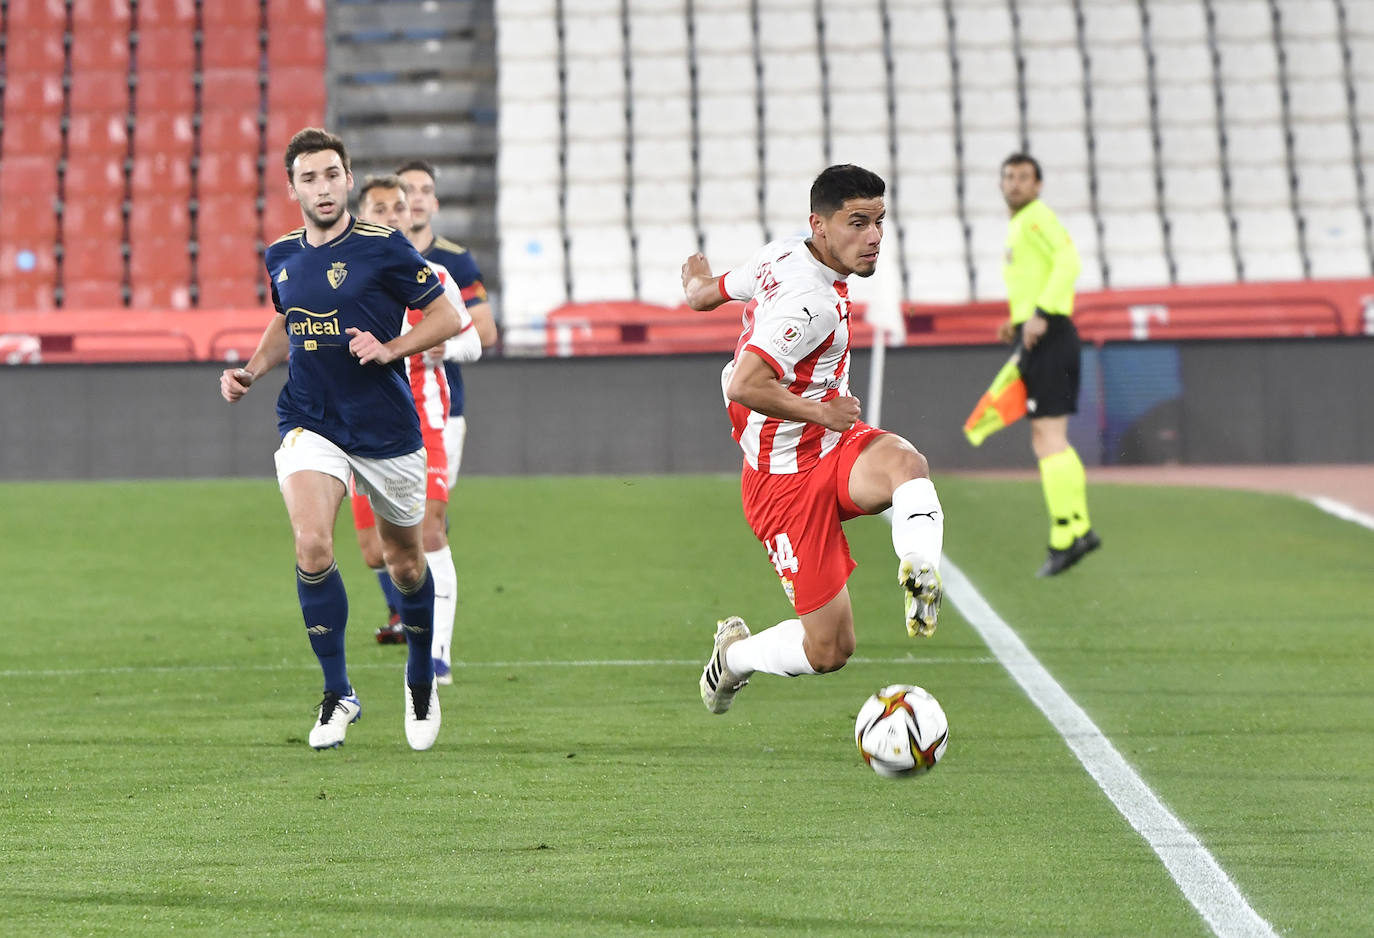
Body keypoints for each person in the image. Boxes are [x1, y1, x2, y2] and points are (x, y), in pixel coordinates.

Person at [219, 128, 463, 751]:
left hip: (385, 430)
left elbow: (448, 317)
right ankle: (338, 693)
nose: (322, 188)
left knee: (404, 564)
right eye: (309, 178)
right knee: (312, 544)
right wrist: (251, 370)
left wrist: (392, 349)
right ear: (292, 186)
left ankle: (419, 677)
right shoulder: (282, 254)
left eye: (332, 175)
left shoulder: (385, 249)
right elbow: (287, 318)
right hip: (310, 418)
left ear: (348, 179)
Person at [680, 163, 946, 716]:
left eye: (879, 221)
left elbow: (707, 296)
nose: (873, 237)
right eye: (857, 223)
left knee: (906, 465)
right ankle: (735, 657)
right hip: (783, 481)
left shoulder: (783, 253)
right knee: (829, 649)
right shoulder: (812, 303)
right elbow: (746, 383)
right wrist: (820, 411)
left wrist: (696, 282)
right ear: (820, 225)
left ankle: (921, 567)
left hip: (833, 449)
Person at [352, 174, 483, 688]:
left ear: (410, 216)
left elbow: (472, 341)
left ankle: (435, 656)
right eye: (378, 208)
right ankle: (412, 620)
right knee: (374, 553)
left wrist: (442, 348)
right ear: (363, 217)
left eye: (396, 208)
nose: (390, 216)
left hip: (425, 423)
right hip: (361, 430)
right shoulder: (346, 278)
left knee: (430, 533)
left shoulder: (435, 276)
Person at [995, 152, 1101, 577]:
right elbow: (1040, 273)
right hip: (1045, 331)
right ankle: (1080, 527)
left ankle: (1064, 536)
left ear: (1038, 185)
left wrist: (1039, 313)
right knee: (1052, 437)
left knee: (1048, 438)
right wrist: (1018, 319)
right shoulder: (1020, 224)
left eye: (1023, 177)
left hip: (1050, 334)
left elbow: (1068, 260)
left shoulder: (1036, 217)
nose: (1015, 184)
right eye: (1009, 177)